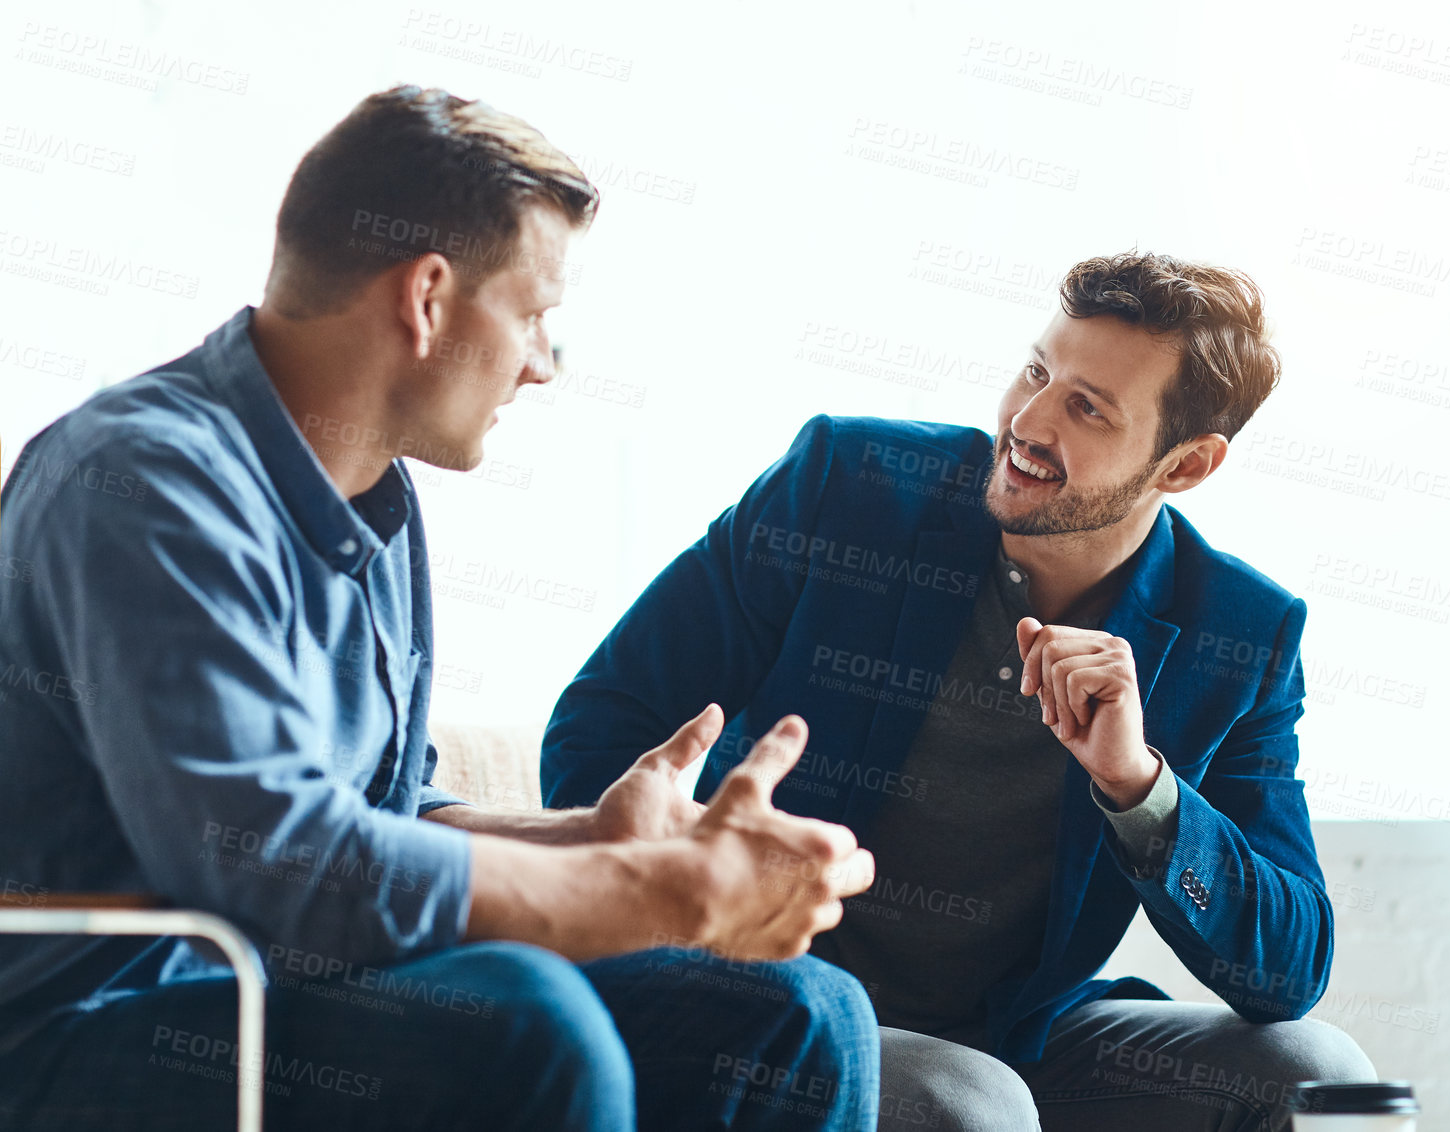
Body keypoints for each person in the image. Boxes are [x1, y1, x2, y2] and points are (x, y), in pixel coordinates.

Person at [0, 85, 878, 1131]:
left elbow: (380, 805)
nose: (543, 365)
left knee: (795, 1015)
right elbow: (279, 857)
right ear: (427, 298)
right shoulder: (144, 483)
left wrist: (590, 840)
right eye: (535, 314)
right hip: (85, 1025)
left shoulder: (373, 499)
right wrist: (659, 892)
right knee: (520, 1022)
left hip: (290, 989)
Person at [543, 252, 1378, 1130]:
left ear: (1185, 466)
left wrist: (1141, 787)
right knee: (969, 1105)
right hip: (773, 999)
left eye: (1086, 407)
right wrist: (685, 901)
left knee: (1328, 1082)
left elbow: (1288, 971)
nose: (1028, 419)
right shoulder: (848, 484)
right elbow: (602, 722)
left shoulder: (1240, 633)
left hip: (1016, 1031)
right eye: (1037, 370)